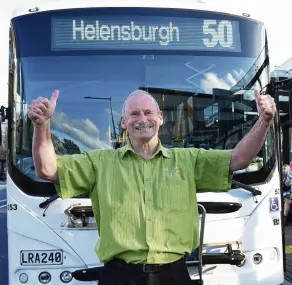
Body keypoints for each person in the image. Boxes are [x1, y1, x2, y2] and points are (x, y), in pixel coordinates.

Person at [28, 89, 276, 285]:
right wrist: (42, 125)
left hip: (175, 276)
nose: (142, 119)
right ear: (124, 122)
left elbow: (239, 159)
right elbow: (48, 170)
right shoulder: (99, 164)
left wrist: (264, 121)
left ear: (160, 118)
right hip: (120, 278)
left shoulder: (189, 161)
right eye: (134, 114)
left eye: (148, 112)